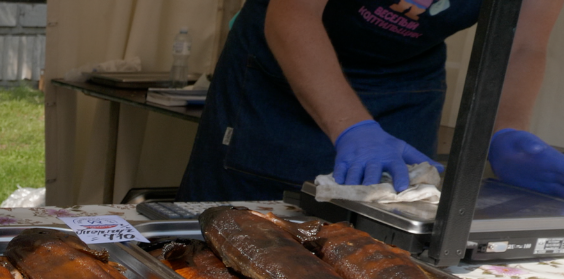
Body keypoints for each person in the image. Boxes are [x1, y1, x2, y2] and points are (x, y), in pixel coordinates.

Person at [178, 0, 564, 202]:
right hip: (280, 82)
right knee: (232, 239)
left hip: (404, 84)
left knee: (388, 234)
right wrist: (353, 125)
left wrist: (506, 130)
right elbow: (294, 13)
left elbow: (523, 46)